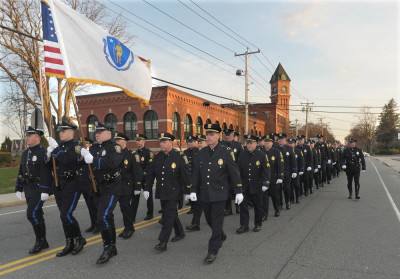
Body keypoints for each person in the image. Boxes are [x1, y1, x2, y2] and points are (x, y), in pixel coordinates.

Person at [190, 123, 243, 264]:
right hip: (205, 193)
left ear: (219, 136)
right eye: (207, 134)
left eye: (212, 134)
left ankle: (212, 250)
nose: (208, 136)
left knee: (217, 221)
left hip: (220, 194)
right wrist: (193, 190)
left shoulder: (225, 152)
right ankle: (220, 234)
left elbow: (234, 173)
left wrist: (238, 190)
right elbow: (196, 174)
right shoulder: (201, 153)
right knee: (209, 220)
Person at [47, 120, 88, 257]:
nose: (60, 133)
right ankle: (69, 241)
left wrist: (56, 149)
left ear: (71, 131)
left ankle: (79, 239)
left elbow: (68, 160)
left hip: (73, 184)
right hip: (60, 184)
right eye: (60, 131)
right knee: (63, 215)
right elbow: (50, 166)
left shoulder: (77, 146)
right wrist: (48, 155)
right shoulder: (59, 147)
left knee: (66, 214)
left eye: (63, 131)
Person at [144, 132, 190, 252]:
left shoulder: (178, 156)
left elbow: (185, 175)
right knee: (171, 214)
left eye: (164, 142)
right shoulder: (158, 156)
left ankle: (162, 241)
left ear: (171, 142)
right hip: (162, 191)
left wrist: (189, 191)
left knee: (168, 217)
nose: (162, 144)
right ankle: (180, 232)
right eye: (161, 142)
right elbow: (151, 173)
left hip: (174, 192)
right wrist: (147, 188)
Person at [90, 123, 124, 265]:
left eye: (100, 131)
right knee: (107, 217)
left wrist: (94, 160)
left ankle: (107, 247)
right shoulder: (93, 148)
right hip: (100, 187)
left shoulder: (114, 147)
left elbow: (112, 163)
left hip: (112, 186)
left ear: (109, 133)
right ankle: (112, 246)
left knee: (102, 216)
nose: (97, 134)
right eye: (96, 132)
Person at [15, 126, 51, 254]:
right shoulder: (26, 153)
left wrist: (45, 190)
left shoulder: (43, 152)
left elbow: (46, 173)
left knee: (31, 214)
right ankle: (44, 241)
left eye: (30, 135)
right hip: (28, 188)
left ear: (37, 137)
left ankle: (40, 241)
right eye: (27, 135)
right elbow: (21, 171)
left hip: (39, 188)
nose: (27, 138)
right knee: (37, 214)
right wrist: (18, 188)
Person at [236, 135, 270, 233]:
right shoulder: (242, 154)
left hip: (257, 185)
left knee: (258, 206)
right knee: (243, 206)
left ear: (256, 143)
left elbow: (266, 170)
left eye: (251, 143)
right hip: (244, 185)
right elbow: (238, 170)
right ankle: (244, 225)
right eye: (248, 143)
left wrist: (265, 183)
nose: (249, 145)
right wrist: (237, 184)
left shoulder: (262, 155)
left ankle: (258, 224)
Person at [114, 132, 143, 239]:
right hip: (116, 186)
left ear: (124, 142)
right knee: (123, 208)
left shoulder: (131, 155)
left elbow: (137, 171)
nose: (116, 142)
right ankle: (127, 227)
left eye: (118, 140)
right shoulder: (115, 154)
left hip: (127, 186)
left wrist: (138, 187)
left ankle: (129, 228)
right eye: (115, 140)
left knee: (126, 208)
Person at [220, 128, 243, 216]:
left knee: (237, 189)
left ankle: (238, 206)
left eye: (229, 135)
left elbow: (241, 159)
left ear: (233, 135)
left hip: (235, 171)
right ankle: (228, 209)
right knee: (226, 191)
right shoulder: (221, 144)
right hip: (225, 172)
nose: (227, 136)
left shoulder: (238, 145)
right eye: (226, 135)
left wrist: (238, 171)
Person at [132, 134, 154, 221]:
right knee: (135, 198)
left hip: (146, 178)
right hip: (137, 179)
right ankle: (132, 216)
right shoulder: (134, 153)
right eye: (137, 141)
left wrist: (143, 174)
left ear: (144, 141)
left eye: (140, 140)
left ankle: (150, 213)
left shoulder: (149, 152)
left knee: (148, 196)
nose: (138, 142)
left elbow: (150, 166)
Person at [262, 134, 284, 218]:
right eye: (266, 142)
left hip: (274, 178)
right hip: (264, 179)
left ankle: (277, 209)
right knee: (264, 198)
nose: (267, 144)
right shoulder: (260, 151)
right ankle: (265, 214)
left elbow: (280, 165)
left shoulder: (277, 152)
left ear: (272, 143)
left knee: (275, 196)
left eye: (269, 142)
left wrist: (280, 177)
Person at [277, 133, 297, 210]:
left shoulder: (289, 148)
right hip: (278, 173)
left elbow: (293, 160)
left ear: (285, 140)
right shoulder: (275, 148)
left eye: (282, 139)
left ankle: (287, 201)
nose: (280, 141)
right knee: (278, 189)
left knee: (286, 188)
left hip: (287, 172)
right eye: (279, 139)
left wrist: (294, 170)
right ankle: (280, 204)